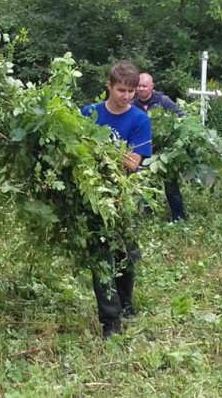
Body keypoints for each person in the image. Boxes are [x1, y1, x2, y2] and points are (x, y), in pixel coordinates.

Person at [81, 60, 153, 339]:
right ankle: (110, 321)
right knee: (101, 257)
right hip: (93, 195)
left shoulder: (139, 120)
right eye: (121, 90)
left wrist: (98, 149)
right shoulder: (89, 114)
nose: (127, 96)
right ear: (109, 86)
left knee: (126, 255)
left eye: (131, 91)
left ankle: (125, 302)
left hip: (125, 196)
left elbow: (133, 163)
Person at [133, 72, 187, 221]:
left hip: (165, 152)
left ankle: (179, 218)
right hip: (144, 152)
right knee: (146, 186)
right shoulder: (132, 105)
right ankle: (149, 219)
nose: (141, 89)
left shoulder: (163, 101)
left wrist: (172, 134)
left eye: (144, 86)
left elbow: (182, 117)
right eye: (139, 86)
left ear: (152, 87)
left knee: (171, 187)